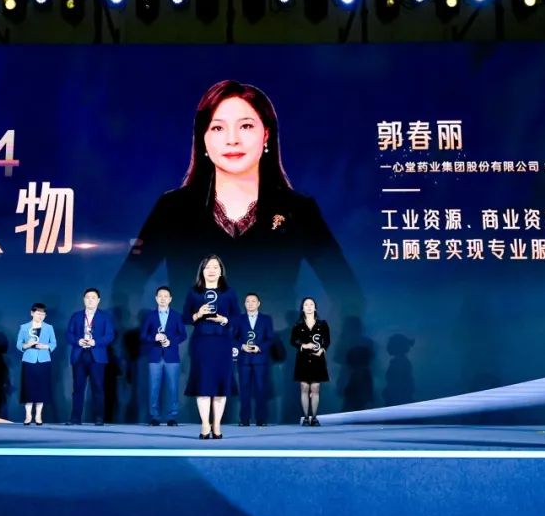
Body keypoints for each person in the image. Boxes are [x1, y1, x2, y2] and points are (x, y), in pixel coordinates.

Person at [112, 79, 364, 321]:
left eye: (246, 126)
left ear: (266, 134)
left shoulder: (298, 211)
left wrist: (311, 339)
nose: (232, 139)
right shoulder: (172, 209)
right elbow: (124, 286)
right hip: (193, 347)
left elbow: (349, 294)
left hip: (271, 347)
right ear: (203, 139)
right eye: (218, 128)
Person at [183, 255, 241, 439]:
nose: (212, 270)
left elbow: (237, 319)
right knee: (203, 384)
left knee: (220, 385)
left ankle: (216, 424)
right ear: (202, 271)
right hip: (201, 343)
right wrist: (198, 314)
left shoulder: (229, 292)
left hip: (223, 342)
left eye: (216, 267)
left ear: (221, 271)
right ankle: (205, 424)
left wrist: (223, 319)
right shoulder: (194, 292)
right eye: (208, 267)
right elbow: (185, 318)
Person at [65, 288, 115, 425]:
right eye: (87, 297)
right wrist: (77, 341)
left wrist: (95, 342)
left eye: (93, 298)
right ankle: (75, 418)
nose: (90, 300)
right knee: (78, 389)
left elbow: (110, 335)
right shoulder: (76, 316)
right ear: (84, 300)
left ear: (98, 300)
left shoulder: (105, 317)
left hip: (97, 356)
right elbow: (69, 334)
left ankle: (99, 418)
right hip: (80, 355)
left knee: (98, 388)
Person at [140, 286, 188, 426]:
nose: (163, 299)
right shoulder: (150, 316)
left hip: (171, 356)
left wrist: (171, 342)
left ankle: (172, 417)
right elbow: (143, 335)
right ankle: (154, 417)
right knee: (153, 388)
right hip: (154, 357)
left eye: (165, 296)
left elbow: (183, 335)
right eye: (160, 296)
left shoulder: (176, 316)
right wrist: (154, 337)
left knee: (173, 388)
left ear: (170, 299)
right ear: (156, 298)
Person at [235, 292, 275, 427]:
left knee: (260, 389)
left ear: (258, 303)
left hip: (260, 360)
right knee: (244, 390)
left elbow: (270, 338)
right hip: (244, 360)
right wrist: (242, 346)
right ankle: (244, 419)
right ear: (244, 304)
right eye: (248, 301)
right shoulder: (239, 319)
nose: (250, 304)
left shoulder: (266, 319)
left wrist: (259, 347)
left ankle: (261, 419)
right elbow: (233, 338)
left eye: (253, 301)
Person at [291, 297, 330, 426]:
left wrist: (322, 350)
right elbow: (293, 341)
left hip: (317, 359)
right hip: (303, 359)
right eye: (306, 305)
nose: (309, 307)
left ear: (315, 307)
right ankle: (306, 417)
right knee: (304, 387)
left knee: (315, 388)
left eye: (311, 304)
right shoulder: (298, 325)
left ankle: (314, 417)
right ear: (302, 308)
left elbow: (327, 341)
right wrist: (304, 345)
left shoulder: (322, 324)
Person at [16, 303, 57, 425]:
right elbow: (18, 344)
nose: (41, 316)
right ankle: (28, 415)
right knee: (28, 388)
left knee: (42, 388)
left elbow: (54, 343)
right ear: (32, 313)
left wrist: (46, 346)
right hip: (29, 360)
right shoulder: (24, 327)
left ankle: (39, 415)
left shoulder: (49, 327)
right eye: (38, 314)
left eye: (43, 314)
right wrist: (27, 345)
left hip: (44, 360)